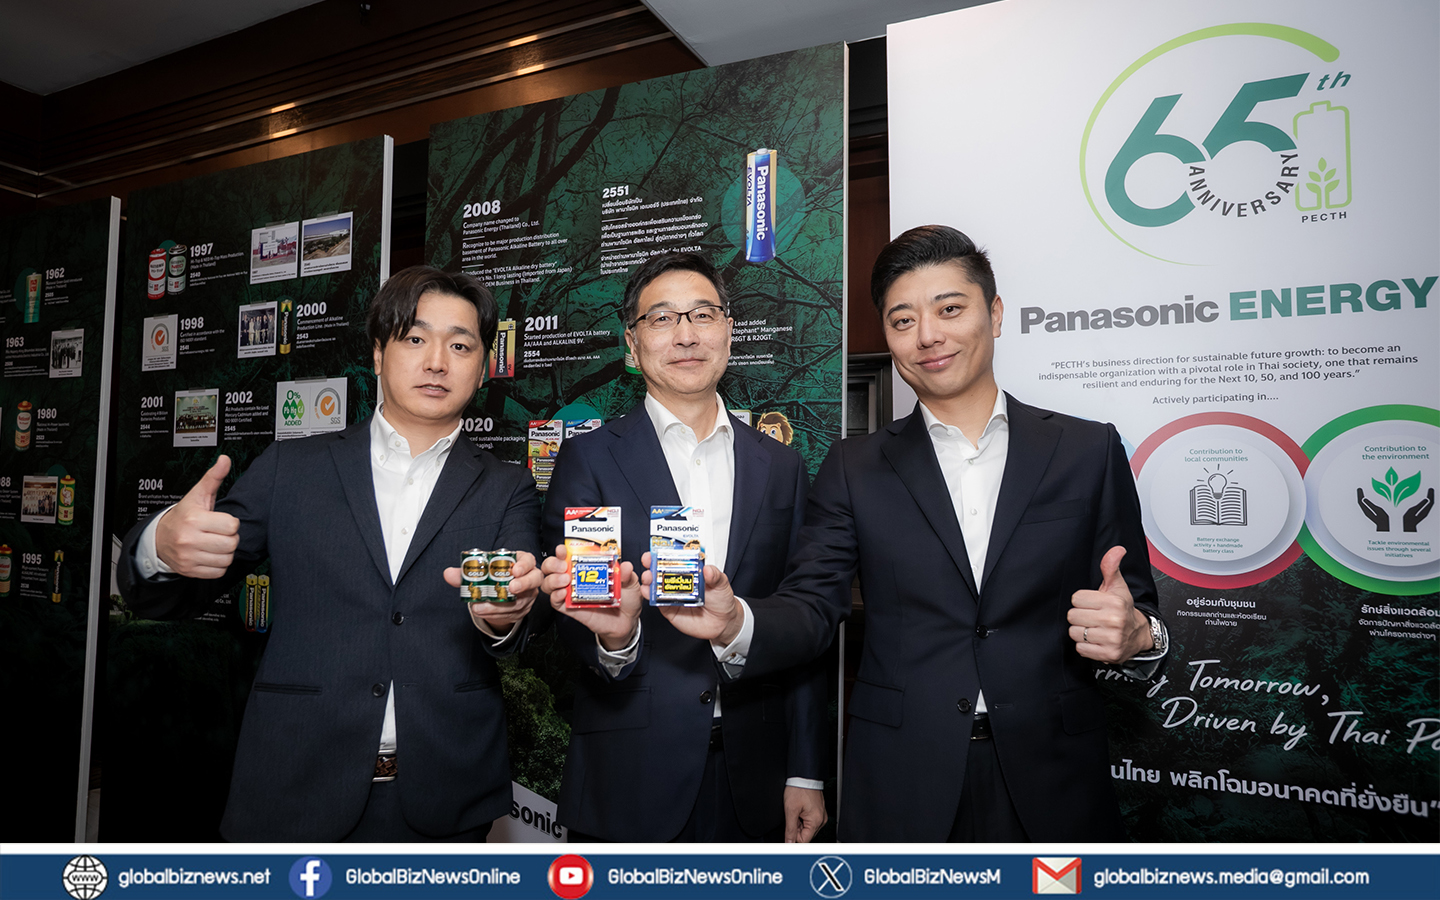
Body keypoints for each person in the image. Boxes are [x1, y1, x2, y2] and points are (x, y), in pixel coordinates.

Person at [652, 226, 1170, 842]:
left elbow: (1137, 606)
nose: (928, 335)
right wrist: (737, 622)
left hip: (1056, 776)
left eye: (950, 309)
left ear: (994, 314)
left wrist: (1141, 635)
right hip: (902, 781)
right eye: (903, 320)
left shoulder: (1086, 450)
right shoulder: (854, 467)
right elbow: (813, 604)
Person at [117, 266, 544, 842]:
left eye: (460, 345)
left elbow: (519, 622)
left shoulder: (507, 486)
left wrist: (504, 617)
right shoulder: (292, 468)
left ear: (484, 365)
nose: (437, 361)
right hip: (295, 783)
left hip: (445, 794)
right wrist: (161, 546)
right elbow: (167, 597)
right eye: (415, 338)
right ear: (378, 354)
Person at [537, 252, 829, 842]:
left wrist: (806, 771)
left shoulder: (781, 466)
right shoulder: (590, 459)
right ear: (632, 342)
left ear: (729, 330)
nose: (686, 335)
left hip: (756, 775)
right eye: (663, 318)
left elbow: (803, 621)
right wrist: (616, 637)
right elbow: (577, 614)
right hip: (629, 773)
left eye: (702, 314)